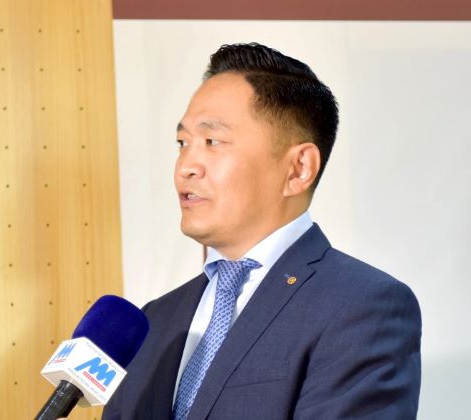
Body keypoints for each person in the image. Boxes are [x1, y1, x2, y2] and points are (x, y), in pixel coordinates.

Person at [102, 43, 421, 419]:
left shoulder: (362, 306)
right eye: (182, 143)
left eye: (212, 142)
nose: (186, 165)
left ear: (299, 168)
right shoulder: (154, 320)